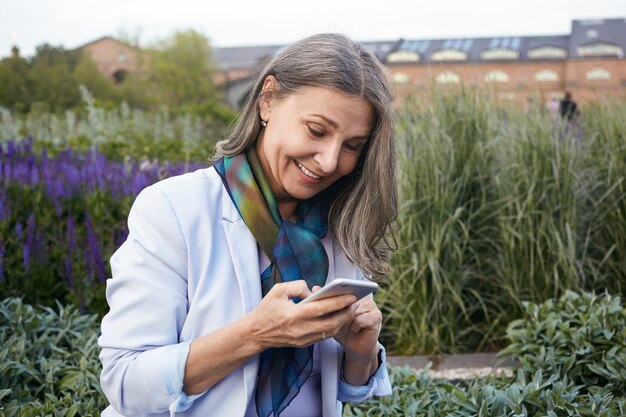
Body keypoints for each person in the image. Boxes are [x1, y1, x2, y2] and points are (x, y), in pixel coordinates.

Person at [98, 33, 397, 417]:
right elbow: (126, 383)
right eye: (317, 131)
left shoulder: (338, 226)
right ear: (267, 99)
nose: (328, 161)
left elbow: (349, 392)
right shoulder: (172, 210)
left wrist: (362, 352)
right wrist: (255, 334)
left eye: (352, 146)